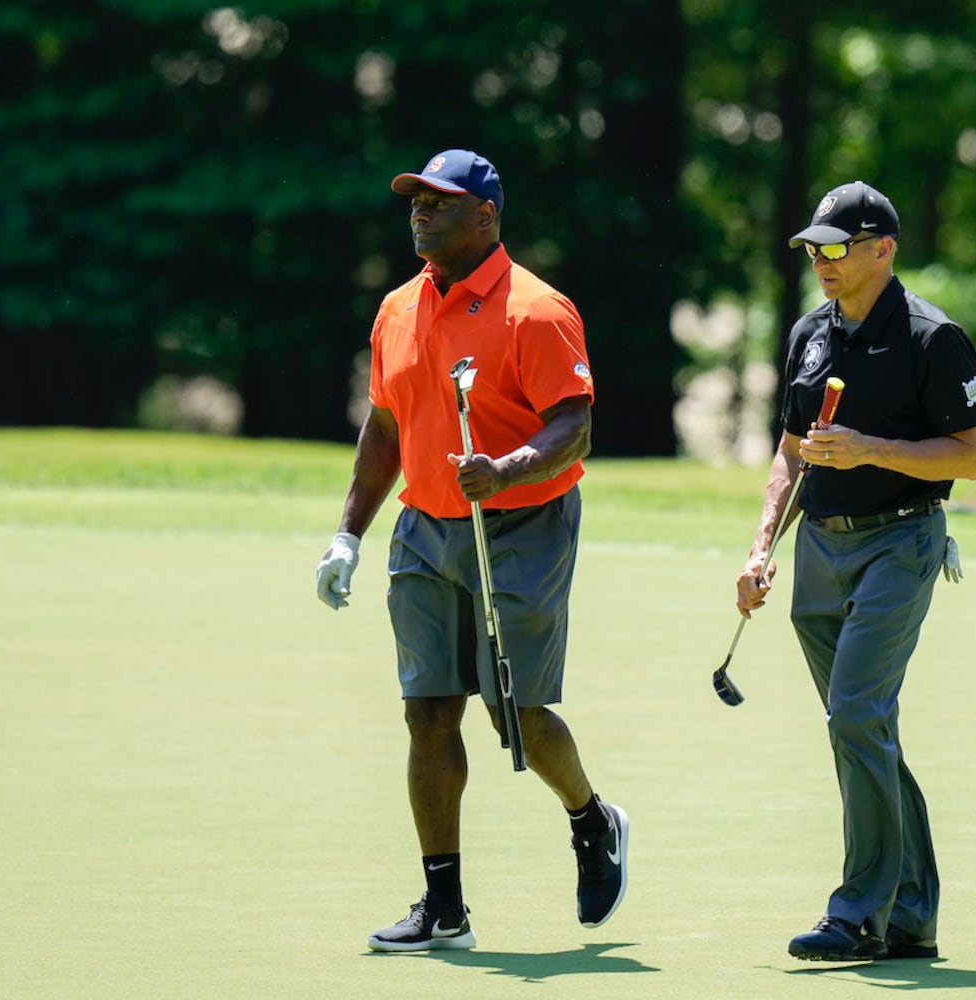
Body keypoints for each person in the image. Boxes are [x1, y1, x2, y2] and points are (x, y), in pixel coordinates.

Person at [314, 149, 628, 953]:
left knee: (514, 713)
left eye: (440, 203)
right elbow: (385, 428)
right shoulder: (396, 310)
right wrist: (349, 532)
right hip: (425, 527)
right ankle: (443, 904)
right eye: (415, 200)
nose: (420, 212)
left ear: (485, 215)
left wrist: (507, 467)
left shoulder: (537, 310)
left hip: (523, 524)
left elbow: (573, 424)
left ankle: (592, 820)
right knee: (426, 712)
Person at [735, 181, 976, 963]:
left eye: (837, 248)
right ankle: (912, 913)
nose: (822, 262)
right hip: (820, 550)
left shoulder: (932, 337)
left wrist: (871, 448)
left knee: (854, 716)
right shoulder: (811, 331)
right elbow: (789, 448)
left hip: (900, 542)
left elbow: (972, 458)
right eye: (814, 248)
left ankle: (858, 915)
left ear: (884, 248)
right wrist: (761, 545)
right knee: (864, 728)